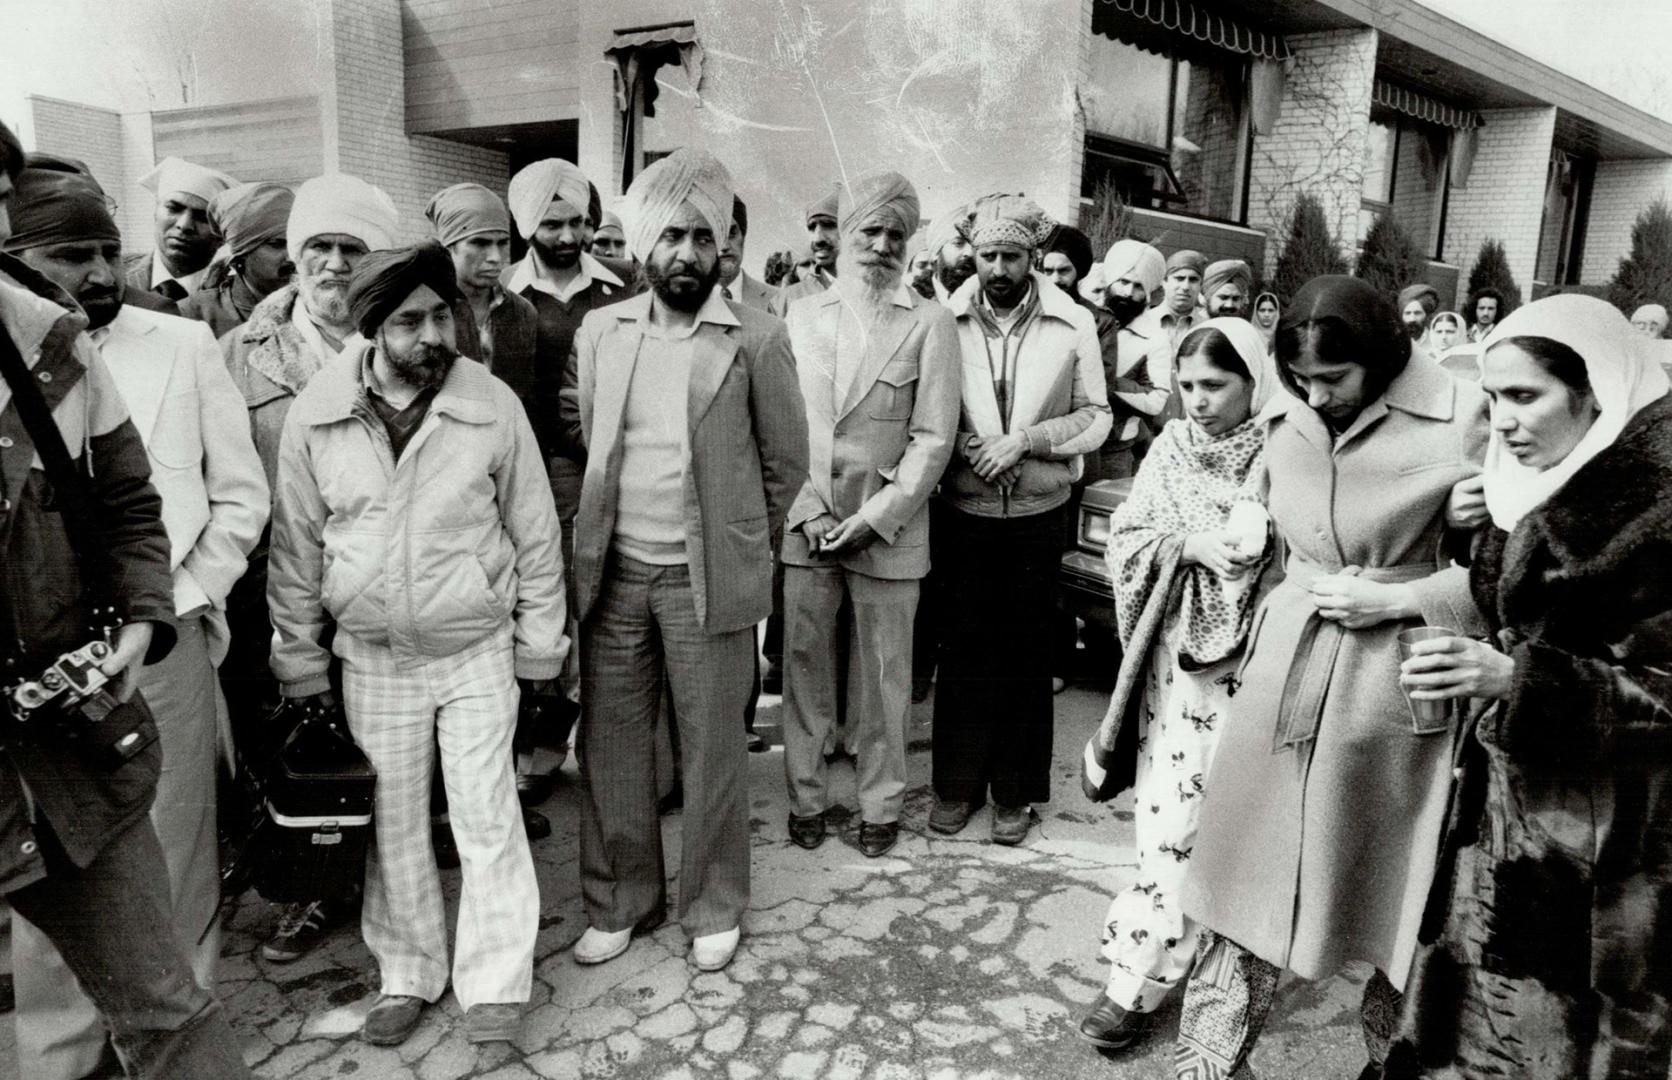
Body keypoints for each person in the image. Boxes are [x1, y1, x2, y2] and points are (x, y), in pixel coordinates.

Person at [1173, 275, 1489, 1080]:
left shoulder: (1467, 417)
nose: (1318, 395)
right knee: (1246, 871)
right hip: (1286, 670)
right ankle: (1209, 1060)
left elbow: (1511, 581)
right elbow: (1259, 521)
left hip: (1395, 685)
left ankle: (1394, 1063)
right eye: (1302, 378)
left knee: (1393, 891)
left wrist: (1405, 595)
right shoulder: (1285, 409)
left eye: (1334, 380)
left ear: (1382, 358)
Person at [5, 153, 269, 1080]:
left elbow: (237, 498)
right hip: (34, 682)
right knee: (44, 871)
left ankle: (163, 1033)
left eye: (110, 252)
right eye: (73, 253)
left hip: (157, 643)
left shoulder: (179, 344)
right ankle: (63, 1055)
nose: (101, 276)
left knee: (175, 854)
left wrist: (172, 609)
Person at [267, 242, 566, 1047]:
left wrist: (541, 652)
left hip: (474, 649)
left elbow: (535, 534)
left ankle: (497, 984)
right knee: (393, 826)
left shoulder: (491, 403)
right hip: (372, 657)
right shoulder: (317, 413)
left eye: (442, 315)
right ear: (373, 330)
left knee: (486, 815)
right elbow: (295, 550)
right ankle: (408, 974)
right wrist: (299, 663)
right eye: (410, 322)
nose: (434, 335)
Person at [1388, 296, 1672, 1078]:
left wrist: (1520, 680)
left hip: (1607, 849)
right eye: (1491, 399)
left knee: (1563, 1041)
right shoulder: (1528, 485)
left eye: (1524, 396)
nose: (1503, 422)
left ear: (1597, 392)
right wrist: (1472, 534)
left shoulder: (1660, 504)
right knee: (1479, 1022)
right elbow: (1510, 606)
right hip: (1506, 823)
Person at [566, 149, 807, 974]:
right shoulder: (604, 330)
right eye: (670, 235)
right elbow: (598, 443)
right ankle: (620, 899)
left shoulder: (760, 338)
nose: (686, 254)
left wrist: (740, 544)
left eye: (703, 237)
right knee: (613, 747)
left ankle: (713, 905)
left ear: (724, 247)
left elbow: (786, 467)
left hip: (708, 583)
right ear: (642, 243)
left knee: (711, 754)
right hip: (617, 575)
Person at [1077, 318, 1278, 1052]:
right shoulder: (1169, 447)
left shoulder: (1283, 455)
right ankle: (1138, 979)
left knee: (1236, 828)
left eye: (1216, 385)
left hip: (1253, 672)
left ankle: (1222, 975)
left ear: (1255, 382)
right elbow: (1128, 536)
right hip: (1174, 675)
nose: (1198, 400)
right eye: (1187, 384)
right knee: (1170, 826)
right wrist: (1190, 545)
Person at [221, 171, 398, 964]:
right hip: (272, 585)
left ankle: (379, 882)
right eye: (317, 247)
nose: (332, 263)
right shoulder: (238, 355)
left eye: (350, 249)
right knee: (288, 744)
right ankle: (304, 889)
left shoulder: (400, 341)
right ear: (294, 257)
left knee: (380, 740)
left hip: (373, 577)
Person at [780, 169, 960, 858]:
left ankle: (880, 805)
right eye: (869, 231)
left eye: (895, 234)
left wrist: (878, 514)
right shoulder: (799, 317)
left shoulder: (931, 323)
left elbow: (933, 437)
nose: (881, 245)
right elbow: (781, 426)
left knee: (886, 678)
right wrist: (809, 509)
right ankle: (806, 797)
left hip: (890, 529)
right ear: (843, 236)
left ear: (910, 244)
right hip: (809, 524)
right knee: (804, 668)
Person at [930, 195, 1111, 845]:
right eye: (987, 256)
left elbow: (1097, 416)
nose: (999, 268)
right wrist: (968, 448)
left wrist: (1027, 441)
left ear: (1034, 258)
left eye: (1011, 255)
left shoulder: (1072, 323)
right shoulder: (944, 320)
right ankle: (955, 785)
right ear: (971, 258)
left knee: (1026, 653)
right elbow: (929, 411)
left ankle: (1015, 794)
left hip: (1038, 512)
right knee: (965, 650)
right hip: (967, 509)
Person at [424, 181, 558, 832]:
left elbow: (527, 414)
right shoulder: (427, 312)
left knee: (504, 656)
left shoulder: (523, 317)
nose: (493, 257)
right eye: (478, 243)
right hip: (441, 500)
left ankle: (498, 797)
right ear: (448, 245)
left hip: (505, 491)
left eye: (502, 243)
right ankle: (445, 810)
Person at [1088, 239, 1170, 483]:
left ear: (1147, 293)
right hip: (1070, 443)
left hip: (1114, 451)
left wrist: (1105, 381)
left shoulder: (1155, 338)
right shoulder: (1087, 320)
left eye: (1137, 286)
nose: (1127, 292)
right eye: (1123, 282)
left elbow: (1156, 400)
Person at [177, 181, 294, 339]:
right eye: (277, 244)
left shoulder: (317, 308)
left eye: (296, 243)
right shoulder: (193, 314)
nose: (292, 256)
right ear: (242, 253)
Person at [122, 156, 236, 303]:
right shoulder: (112, 275)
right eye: (173, 208)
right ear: (155, 213)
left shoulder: (236, 293)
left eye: (202, 217)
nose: (184, 225)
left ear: (222, 235)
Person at [770, 184, 840, 315]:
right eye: (812, 227)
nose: (818, 239)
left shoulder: (880, 291)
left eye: (829, 225)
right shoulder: (784, 302)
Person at [1130, 249, 1205, 353]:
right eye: (1179, 278)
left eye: (1193, 280)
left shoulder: (1206, 326)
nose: (1185, 286)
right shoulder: (1141, 322)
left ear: (1200, 285)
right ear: (1164, 282)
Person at [719, 196, 773, 310]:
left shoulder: (777, 299)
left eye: (731, 233)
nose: (724, 246)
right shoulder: (678, 304)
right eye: (714, 236)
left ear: (743, 236)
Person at [1399, 283, 1441, 358]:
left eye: (1417, 313)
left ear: (1427, 315)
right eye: (1407, 313)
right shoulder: (1394, 341)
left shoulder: (1436, 343)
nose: (1412, 319)